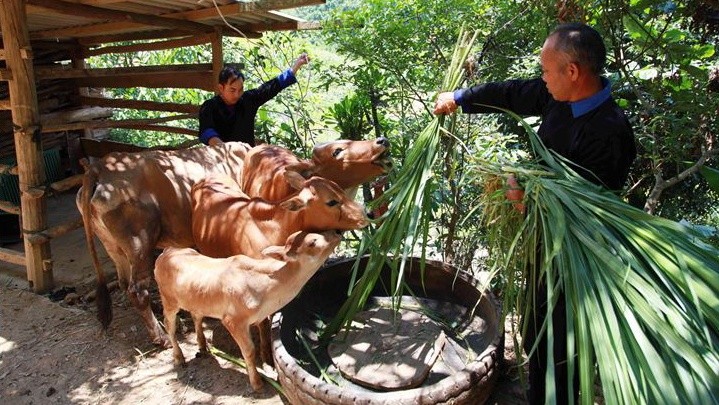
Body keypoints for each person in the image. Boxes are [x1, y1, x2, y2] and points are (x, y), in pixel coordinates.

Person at [434, 23, 636, 404]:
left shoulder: (609, 134)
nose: (541, 78)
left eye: (545, 70)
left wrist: (518, 191)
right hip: (543, 250)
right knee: (534, 328)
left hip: (576, 261)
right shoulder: (557, 96)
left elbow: (579, 211)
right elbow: (510, 93)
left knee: (559, 344)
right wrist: (459, 97)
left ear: (572, 72)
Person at [198, 53, 310, 147]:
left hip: (248, 160)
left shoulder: (248, 99)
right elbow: (207, 130)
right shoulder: (209, 106)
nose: (237, 94)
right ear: (221, 88)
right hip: (222, 160)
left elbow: (270, 87)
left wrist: (296, 66)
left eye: (240, 89)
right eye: (232, 90)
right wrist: (222, 147)